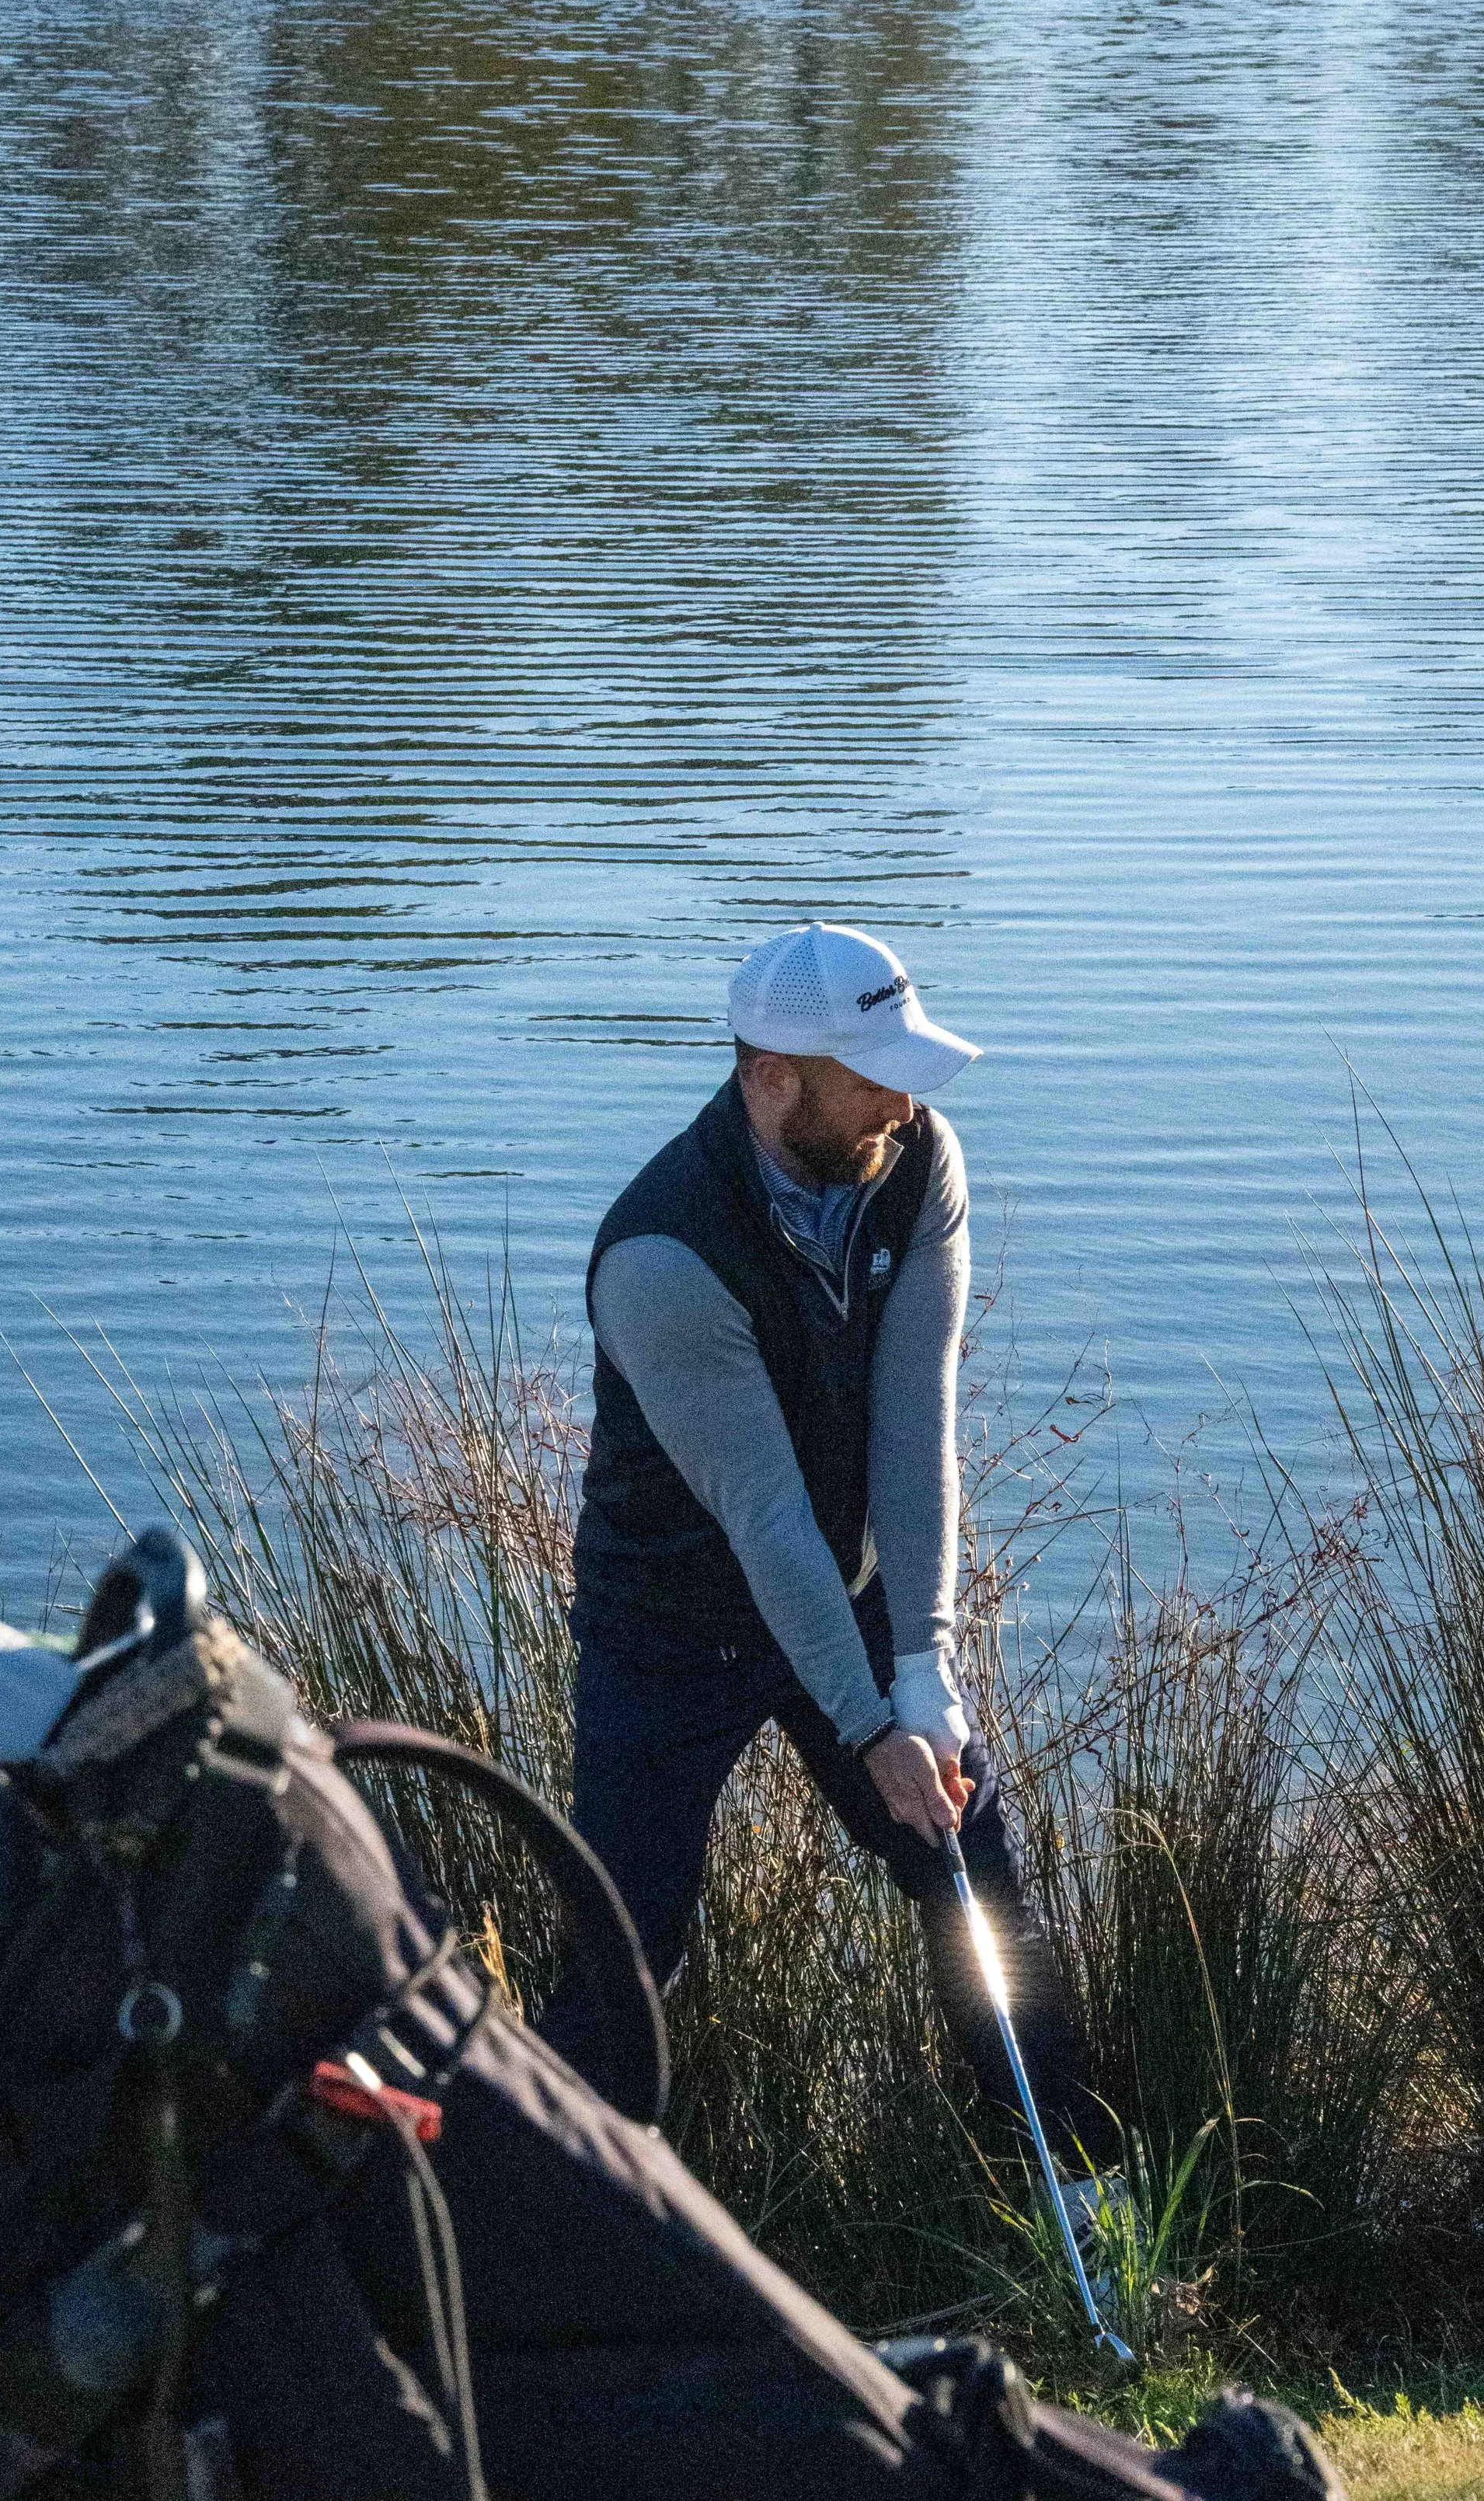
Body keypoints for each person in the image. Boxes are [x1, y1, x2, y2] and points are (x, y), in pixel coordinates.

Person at [543, 921, 1104, 2220]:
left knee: (967, 1856)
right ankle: (549, 2238)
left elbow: (917, 1427)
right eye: (874, 1075)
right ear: (773, 1077)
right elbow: (762, 1513)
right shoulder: (661, 1256)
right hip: (667, 1625)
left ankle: (1079, 2185)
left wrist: (925, 1678)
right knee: (629, 1951)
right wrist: (868, 1726)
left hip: (844, 1592)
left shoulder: (918, 1163)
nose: (905, 1101)